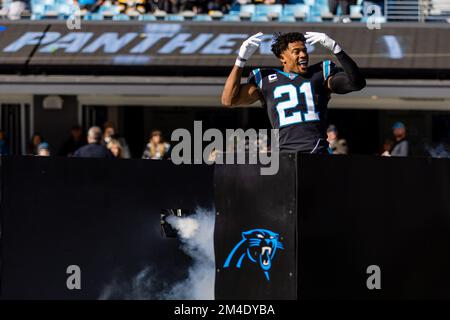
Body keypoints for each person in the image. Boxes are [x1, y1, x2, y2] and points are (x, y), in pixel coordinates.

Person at [221, 31, 366, 153]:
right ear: (282, 57)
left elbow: (357, 83)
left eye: (304, 50)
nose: (303, 55)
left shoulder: (320, 74)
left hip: (317, 151)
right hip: (284, 154)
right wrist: (240, 61)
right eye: (296, 51)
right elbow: (228, 100)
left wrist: (337, 50)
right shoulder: (265, 79)